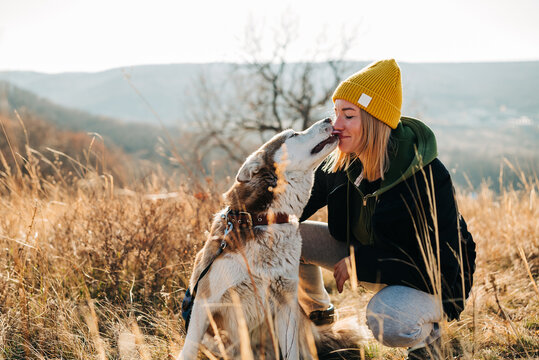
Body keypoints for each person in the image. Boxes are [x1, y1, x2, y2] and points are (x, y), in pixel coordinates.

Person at [298, 59, 476, 358]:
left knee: (387, 320)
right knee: (288, 236)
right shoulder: (341, 164)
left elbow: (437, 263)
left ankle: (429, 343)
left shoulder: (425, 175)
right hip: (368, 255)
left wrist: (360, 263)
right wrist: (246, 217)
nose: (336, 124)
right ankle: (320, 319)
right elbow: (295, 207)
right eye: (336, 113)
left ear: (374, 120)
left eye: (349, 115)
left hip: (435, 281)